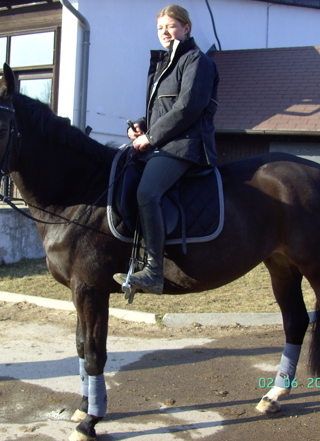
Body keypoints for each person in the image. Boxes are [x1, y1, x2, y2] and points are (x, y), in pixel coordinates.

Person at [113, 5, 219, 294]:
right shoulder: (163, 65)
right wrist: (139, 127)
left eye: (171, 26)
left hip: (188, 145)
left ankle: (154, 272)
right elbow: (160, 112)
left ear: (186, 28)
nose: (165, 32)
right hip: (163, 142)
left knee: (147, 192)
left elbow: (188, 108)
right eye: (160, 28)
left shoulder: (198, 61)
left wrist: (151, 137)